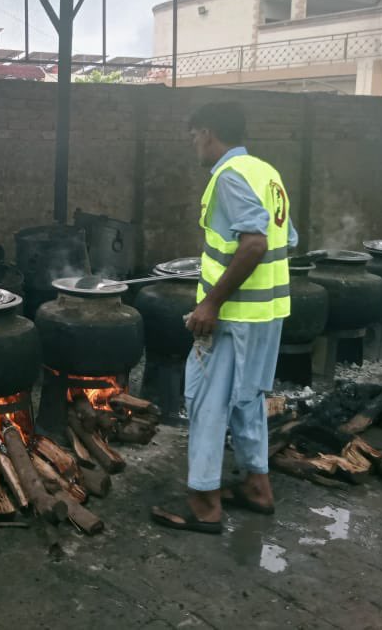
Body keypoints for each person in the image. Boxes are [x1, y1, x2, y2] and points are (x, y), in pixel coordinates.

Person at [151, 101, 297, 534]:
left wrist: (211, 303)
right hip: (268, 314)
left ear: (208, 133)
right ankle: (257, 487)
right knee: (248, 401)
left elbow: (253, 245)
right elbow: (287, 237)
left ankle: (204, 505)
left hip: (234, 318)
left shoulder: (229, 177)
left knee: (207, 405)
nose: (194, 145)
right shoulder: (267, 173)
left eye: (194, 136)